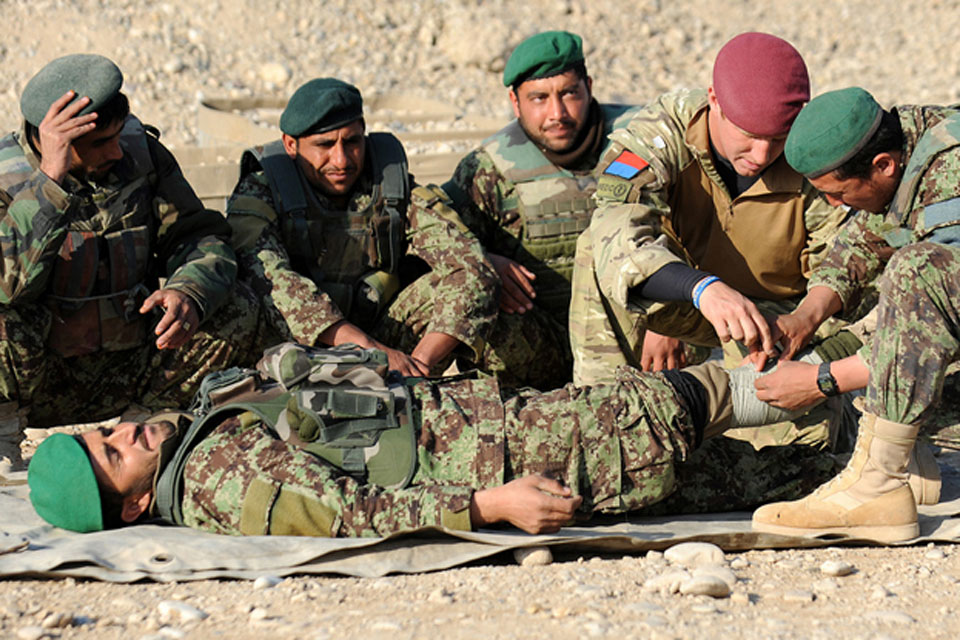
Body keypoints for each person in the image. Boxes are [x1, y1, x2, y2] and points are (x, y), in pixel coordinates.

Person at [28, 341, 852, 537]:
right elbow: (350, 516)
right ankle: (873, 370)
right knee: (690, 398)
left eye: (104, 429)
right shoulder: (217, 482)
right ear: (134, 504)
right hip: (513, 456)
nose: (124, 429)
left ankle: (881, 427)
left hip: (496, 427)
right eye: (113, 450)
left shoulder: (201, 435)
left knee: (766, 483)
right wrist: (487, 503)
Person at [0, 54, 266, 472]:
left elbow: (199, 236)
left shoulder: (141, 156)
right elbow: (7, 285)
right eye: (100, 143)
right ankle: (3, 437)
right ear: (54, 140)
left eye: (118, 134)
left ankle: (144, 431)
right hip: (38, 380)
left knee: (237, 304)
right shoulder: (7, 178)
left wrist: (186, 291)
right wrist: (49, 182)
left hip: (131, 365)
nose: (117, 149)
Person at [568, 32, 851, 387]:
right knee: (597, 247)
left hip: (778, 319)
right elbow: (618, 224)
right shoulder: (665, 131)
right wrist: (699, 289)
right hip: (691, 295)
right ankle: (603, 410)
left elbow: (846, 264)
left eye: (778, 138)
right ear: (714, 100)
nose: (762, 155)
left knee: (786, 436)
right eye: (748, 134)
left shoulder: (812, 154)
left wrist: (804, 322)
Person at [750, 87, 960, 541]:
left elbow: (932, 315)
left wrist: (821, 380)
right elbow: (863, 240)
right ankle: (905, 460)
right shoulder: (908, 146)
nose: (834, 206)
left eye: (838, 193)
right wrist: (804, 319)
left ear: (883, 165)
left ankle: (878, 484)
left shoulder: (951, 176)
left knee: (914, 272)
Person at [226, 78, 499, 379]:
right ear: (291, 145)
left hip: (385, 336)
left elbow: (469, 263)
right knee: (237, 304)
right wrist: (369, 349)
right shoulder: (262, 189)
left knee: (465, 283)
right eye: (324, 145)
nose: (341, 160)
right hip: (295, 348)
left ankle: (412, 387)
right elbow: (270, 278)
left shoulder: (390, 184)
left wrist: (415, 364)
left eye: (353, 142)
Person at [442, 31, 641, 389]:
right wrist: (483, 261)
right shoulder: (490, 169)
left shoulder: (638, 143)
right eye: (539, 98)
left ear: (589, 87)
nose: (557, 113)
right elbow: (435, 237)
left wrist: (667, 322)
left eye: (569, 93)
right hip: (544, 344)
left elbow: (697, 229)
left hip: (636, 338)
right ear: (515, 103)